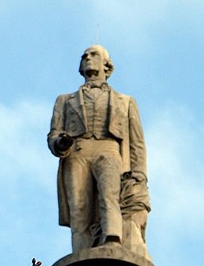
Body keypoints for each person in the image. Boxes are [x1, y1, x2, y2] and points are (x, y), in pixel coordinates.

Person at [48, 45, 150, 254]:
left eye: (93, 54)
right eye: (84, 56)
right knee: (79, 209)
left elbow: (137, 143)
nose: (87, 57)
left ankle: (113, 240)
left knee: (109, 195)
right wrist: (60, 142)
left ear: (107, 65)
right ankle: (81, 253)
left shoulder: (125, 101)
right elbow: (53, 135)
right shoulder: (65, 100)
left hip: (109, 151)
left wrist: (139, 175)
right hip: (77, 153)